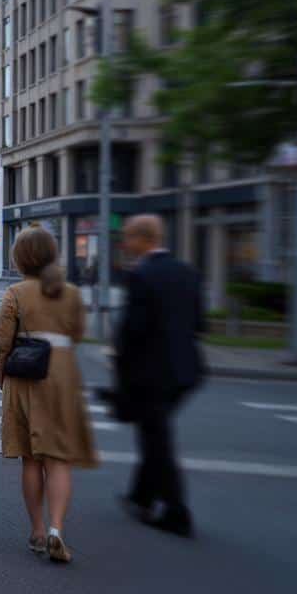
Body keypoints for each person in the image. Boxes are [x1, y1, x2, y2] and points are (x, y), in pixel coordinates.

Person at [0, 225, 97, 564]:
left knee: (31, 458)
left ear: (20, 258)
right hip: (62, 376)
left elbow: (3, 342)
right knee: (59, 459)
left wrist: (1, 374)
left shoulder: (15, 293)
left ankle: (37, 530)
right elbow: (78, 334)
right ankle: (56, 529)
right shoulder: (70, 293)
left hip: (27, 377)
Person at [113, 214, 204, 537]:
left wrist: (121, 376)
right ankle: (141, 495)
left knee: (158, 440)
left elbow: (130, 333)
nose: (124, 244)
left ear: (143, 239)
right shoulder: (188, 273)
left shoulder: (142, 276)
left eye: (128, 238)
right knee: (156, 432)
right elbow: (199, 324)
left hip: (152, 373)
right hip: (187, 371)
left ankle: (177, 512)